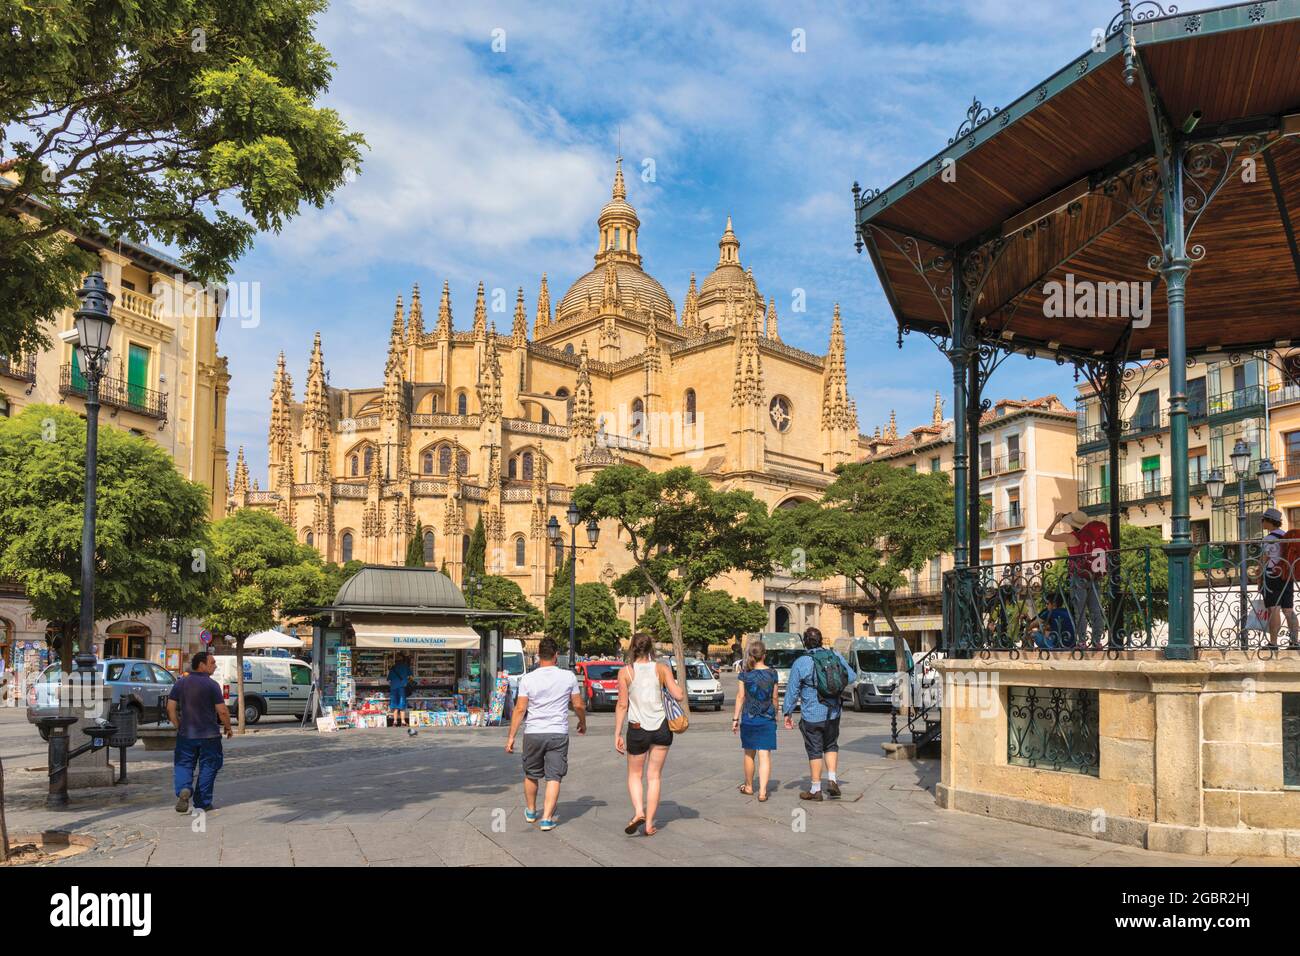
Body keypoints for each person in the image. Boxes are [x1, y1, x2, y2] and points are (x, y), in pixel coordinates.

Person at [505, 637, 585, 832]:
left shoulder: (528, 679)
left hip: (533, 732)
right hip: (558, 732)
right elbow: (578, 704)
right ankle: (547, 818)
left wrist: (511, 737)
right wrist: (582, 721)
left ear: (538, 655)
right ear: (556, 655)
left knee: (531, 774)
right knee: (554, 776)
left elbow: (520, 709)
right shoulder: (568, 677)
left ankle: (531, 811)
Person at [614, 632, 684, 836]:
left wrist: (617, 733)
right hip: (661, 728)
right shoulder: (661, 668)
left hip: (637, 729)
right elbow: (679, 695)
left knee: (635, 775)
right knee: (654, 777)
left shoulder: (625, 672)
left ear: (632, 648)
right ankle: (650, 824)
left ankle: (638, 812)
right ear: (650, 648)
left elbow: (622, 704)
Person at [781, 627, 856, 801]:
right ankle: (832, 780)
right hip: (833, 712)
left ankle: (816, 789)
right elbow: (851, 676)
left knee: (815, 750)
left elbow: (792, 690)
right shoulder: (834, 655)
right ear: (821, 640)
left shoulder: (801, 662)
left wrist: (788, 713)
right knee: (831, 745)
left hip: (812, 714)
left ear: (805, 643)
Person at [167, 650, 233, 814]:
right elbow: (222, 710)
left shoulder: (181, 683)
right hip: (209, 735)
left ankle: (184, 789)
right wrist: (228, 727)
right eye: (212, 662)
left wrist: (178, 725)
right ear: (202, 665)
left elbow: (170, 708)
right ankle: (202, 802)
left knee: (183, 764)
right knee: (209, 767)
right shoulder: (212, 685)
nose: (215, 666)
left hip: (186, 734)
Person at [1045, 509, 1110, 647]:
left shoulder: (1069, 537)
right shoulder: (1091, 536)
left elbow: (1047, 536)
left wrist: (1056, 520)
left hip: (1078, 577)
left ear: (1072, 525)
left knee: (1079, 611)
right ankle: (1097, 642)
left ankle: (1081, 642)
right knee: (1096, 610)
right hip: (1094, 575)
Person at [732, 639, 778, 801]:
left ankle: (749, 786)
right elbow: (774, 697)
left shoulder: (744, 674)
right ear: (764, 655)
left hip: (749, 718)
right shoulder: (772, 673)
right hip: (767, 718)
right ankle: (763, 792)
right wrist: (776, 714)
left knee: (749, 754)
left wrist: (735, 718)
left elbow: (740, 697)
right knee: (764, 755)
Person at [1261, 507, 1299, 647]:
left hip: (1273, 576)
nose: (1262, 522)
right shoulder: (1286, 536)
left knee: (1274, 608)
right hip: (1287, 575)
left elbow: (1264, 560)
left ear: (1269, 521)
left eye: (1263, 520)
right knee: (1288, 609)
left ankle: (1273, 642)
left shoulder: (1268, 539)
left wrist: (1258, 578)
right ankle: (1294, 642)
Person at [387, 653, 412, 727]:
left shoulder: (393, 667)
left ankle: (394, 722)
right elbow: (411, 676)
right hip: (402, 687)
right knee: (402, 705)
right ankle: (403, 722)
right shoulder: (406, 667)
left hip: (393, 688)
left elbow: (389, 679)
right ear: (403, 660)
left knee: (394, 705)